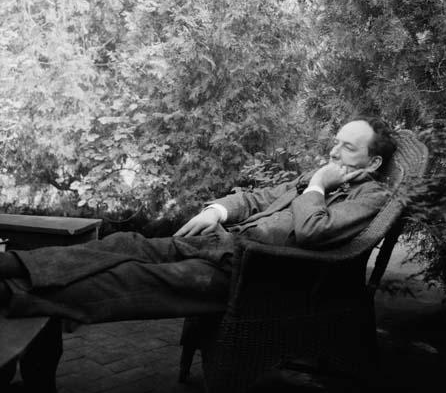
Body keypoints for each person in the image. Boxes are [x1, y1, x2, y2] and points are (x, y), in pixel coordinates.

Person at [0, 117, 395, 324]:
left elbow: (313, 232)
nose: (334, 151)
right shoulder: (318, 178)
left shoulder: (369, 195)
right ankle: (11, 266)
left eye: (348, 147)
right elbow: (256, 197)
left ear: (373, 161)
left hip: (254, 273)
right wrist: (216, 211)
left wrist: (318, 186)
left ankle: (11, 296)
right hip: (221, 245)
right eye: (335, 141)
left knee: (133, 277)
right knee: (128, 244)